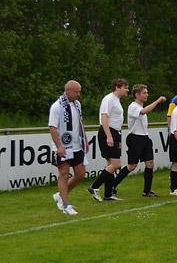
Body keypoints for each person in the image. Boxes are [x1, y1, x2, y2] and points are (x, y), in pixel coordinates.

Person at [112, 85, 166, 197]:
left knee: (150, 163)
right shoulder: (133, 106)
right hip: (135, 138)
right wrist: (157, 101)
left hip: (144, 137)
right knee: (132, 166)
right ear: (136, 94)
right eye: (144, 93)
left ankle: (147, 191)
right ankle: (113, 185)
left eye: (147, 92)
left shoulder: (140, 106)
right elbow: (144, 111)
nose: (147, 95)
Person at [48, 80, 89, 215]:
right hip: (63, 147)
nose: (78, 94)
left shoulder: (77, 104)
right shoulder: (57, 106)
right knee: (64, 173)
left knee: (80, 174)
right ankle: (66, 204)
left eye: (79, 92)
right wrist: (59, 146)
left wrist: (85, 139)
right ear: (68, 91)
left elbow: (80, 123)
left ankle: (60, 195)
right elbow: (52, 128)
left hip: (77, 145)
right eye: (76, 92)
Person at [88, 78, 129, 201]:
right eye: (125, 87)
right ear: (117, 87)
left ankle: (108, 194)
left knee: (110, 164)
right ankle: (94, 187)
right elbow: (104, 117)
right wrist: (109, 136)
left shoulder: (116, 100)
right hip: (108, 132)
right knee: (116, 164)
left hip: (115, 132)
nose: (127, 90)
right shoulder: (109, 99)